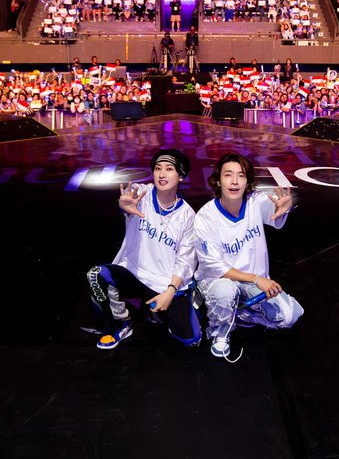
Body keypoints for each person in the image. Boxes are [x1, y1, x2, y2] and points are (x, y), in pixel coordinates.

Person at [86, 149, 202, 350]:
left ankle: (156, 311)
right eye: (157, 168)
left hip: (163, 283)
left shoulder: (188, 216)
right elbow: (130, 195)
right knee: (96, 275)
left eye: (169, 169)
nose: (162, 174)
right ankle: (120, 323)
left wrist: (170, 291)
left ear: (181, 176)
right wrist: (123, 205)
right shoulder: (142, 194)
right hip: (133, 272)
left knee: (191, 339)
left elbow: (186, 261)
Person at [194, 153, 303, 358]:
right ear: (218, 180)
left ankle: (239, 311)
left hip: (252, 282)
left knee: (289, 316)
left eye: (241, 175)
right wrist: (256, 279)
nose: (234, 181)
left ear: (247, 182)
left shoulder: (256, 202)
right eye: (228, 175)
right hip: (219, 279)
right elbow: (215, 267)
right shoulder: (205, 217)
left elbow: (271, 207)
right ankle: (220, 331)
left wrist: (282, 207)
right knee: (225, 291)